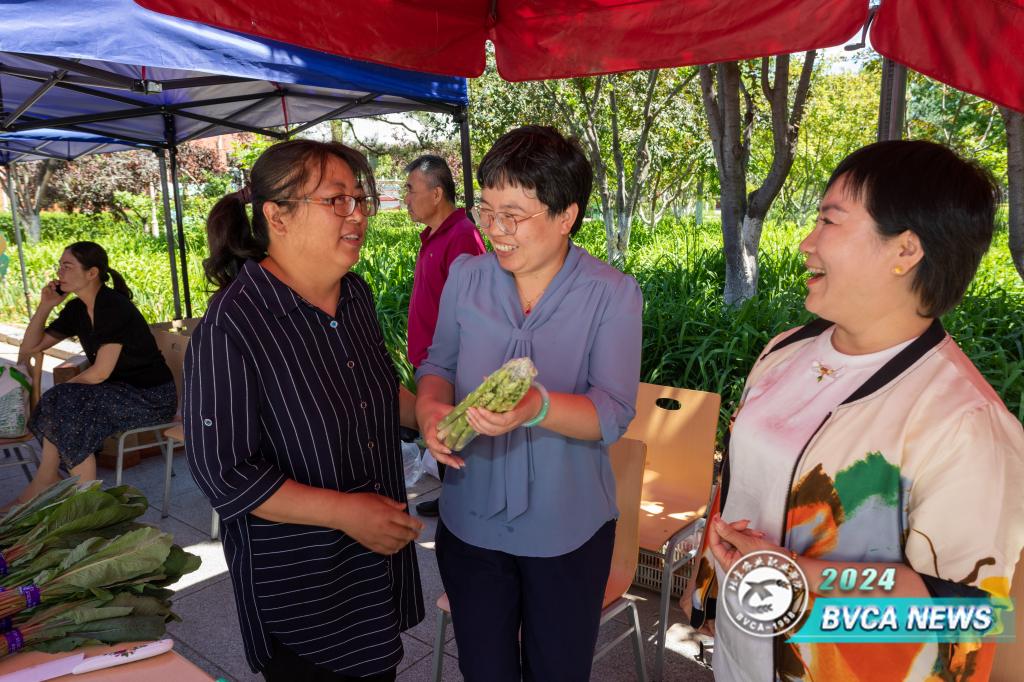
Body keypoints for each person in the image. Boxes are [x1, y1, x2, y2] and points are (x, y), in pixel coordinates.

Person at [686, 140, 1024, 682]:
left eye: (829, 220)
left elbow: (969, 615)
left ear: (905, 250)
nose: (806, 242)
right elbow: (737, 484)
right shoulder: (784, 352)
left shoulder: (964, 424)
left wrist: (804, 576)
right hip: (739, 651)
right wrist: (705, 583)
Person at [185, 140, 424, 682]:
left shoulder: (355, 295)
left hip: (373, 568)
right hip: (303, 586)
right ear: (278, 216)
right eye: (337, 200)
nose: (357, 215)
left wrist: (429, 416)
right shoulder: (233, 324)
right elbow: (226, 474)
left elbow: (377, 389)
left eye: (360, 200)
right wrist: (346, 513)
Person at [415, 125, 643, 681]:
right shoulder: (467, 277)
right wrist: (430, 412)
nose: (496, 230)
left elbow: (612, 412)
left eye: (513, 216)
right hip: (470, 519)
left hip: (568, 528)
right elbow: (437, 366)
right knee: (485, 670)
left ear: (566, 216)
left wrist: (536, 407)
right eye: (487, 212)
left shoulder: (611, 293)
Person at [9, 241, 176, 505]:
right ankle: (60, 483)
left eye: (67, 266)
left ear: (92, 273)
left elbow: (100, 373)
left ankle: (76, 493)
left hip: (151, 398)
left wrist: (63, 393)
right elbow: (30, 347)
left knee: (65, 400)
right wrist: (45, 306)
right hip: (115, 392)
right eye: (60, 266)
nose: (60, 272)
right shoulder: (76, 309)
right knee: (66, 402)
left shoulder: (112, 307)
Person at [402, 154, 485, 517]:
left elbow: (475, 307)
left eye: (411, 189)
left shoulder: (462, 235)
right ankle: (451, 495)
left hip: (452, 364)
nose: (406, 198)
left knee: (458, 435)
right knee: (445, 434)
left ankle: (463, 502)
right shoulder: (435, 236)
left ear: (436, 194)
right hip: (430, 362)